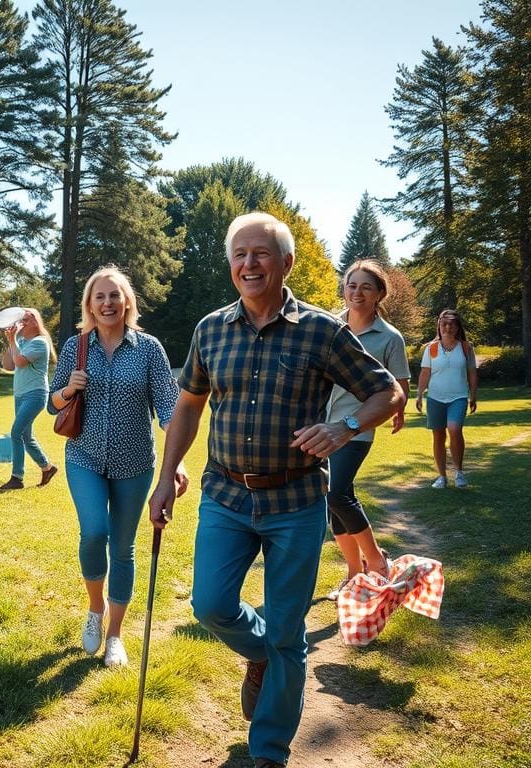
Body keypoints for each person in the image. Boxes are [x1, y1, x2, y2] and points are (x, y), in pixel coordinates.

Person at [147, 213, 403, 768]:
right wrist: (166, 475)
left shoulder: (321, 331)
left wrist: (344, 427)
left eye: (261, 253)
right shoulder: (210, 329)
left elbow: (387, 392)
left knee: (289, 631)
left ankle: (269, 751)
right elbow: (188, 405)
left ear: (286, 264)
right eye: (240, 254)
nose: (249, 263)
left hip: (296, 502)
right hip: (225, 496)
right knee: (210, 605)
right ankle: (262, 652)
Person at [48, 266, 184, 668]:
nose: (107, 303)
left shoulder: (148, 348)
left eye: (114, 296)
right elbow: (51, 404)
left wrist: (175, 462)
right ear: (89, 304)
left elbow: (169, 409)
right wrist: (67, 390)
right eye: (99, 297)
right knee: (93, 533)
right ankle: (94, 610)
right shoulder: (76, 346)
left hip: (135, 463)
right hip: (84, 456)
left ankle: (115, 635)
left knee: (122, 548)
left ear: (127, 302)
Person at [325, 260, 410, 600]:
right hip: (320, 423)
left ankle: (376, 562)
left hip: (358, 423)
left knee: (337, 492)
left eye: (365, 287)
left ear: (379, 294)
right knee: (331, 499)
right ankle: (353, 572)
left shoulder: (390, 338)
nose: (356, 292)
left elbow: (399, 383)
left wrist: (398, 412)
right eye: (351, 285)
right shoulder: (329, 325)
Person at [415, 308, 478, 489]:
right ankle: (442, 476)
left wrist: (474, 395)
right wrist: (419, 394)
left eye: (452, 324)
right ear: (439, 326)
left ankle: (459, 472)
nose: (447, 327)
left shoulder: (466, 348)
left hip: (458, 397)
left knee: (454, 428)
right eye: (444, 324)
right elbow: (425, 373)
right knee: (438, 436)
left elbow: (472, 373)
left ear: (458, 327)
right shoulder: (431, 348)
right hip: (435, 399)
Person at [0, 308, 58, 490]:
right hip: (20, 395)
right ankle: (47, 467)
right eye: (20, 319)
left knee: (16, 433)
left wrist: (13, 340)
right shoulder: (22, 340)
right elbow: (8, 365)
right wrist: (10, 340)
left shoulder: (40, 342)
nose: (20, 323)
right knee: (25, 436)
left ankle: (17, 477)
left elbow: (20, 362)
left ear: (35, 321)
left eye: (24, 319)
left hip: (35, 394)